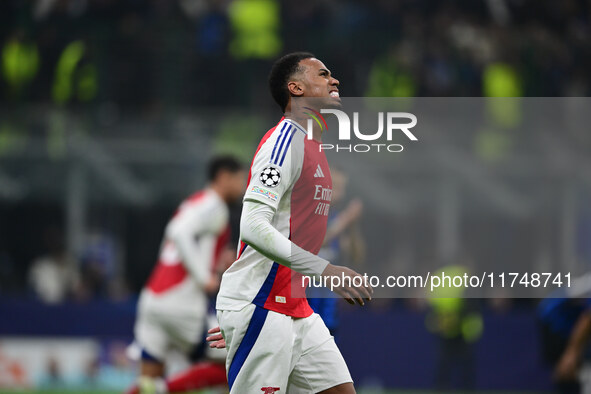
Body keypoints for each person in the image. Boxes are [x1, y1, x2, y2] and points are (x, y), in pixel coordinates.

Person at [214, 52, 373, 394]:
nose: (335, 80)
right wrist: (244, 313)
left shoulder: (313, 144)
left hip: (295, 309)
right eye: (324, 73)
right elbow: (253, 226)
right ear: (296, 87)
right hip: (262, 305)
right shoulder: (283, 143)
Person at [127, 156, 246, 394]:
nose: (243, 186)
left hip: (153, 298)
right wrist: (204, 277)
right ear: (223, 177)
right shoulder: (215, 206)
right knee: (241, 357)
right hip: (181, 303)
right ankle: (165, 388)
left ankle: (159, 387)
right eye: (240, 179)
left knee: (148, 380)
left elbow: (175, 242)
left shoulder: (195, 202)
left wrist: (216, 262)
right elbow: (178, 232)